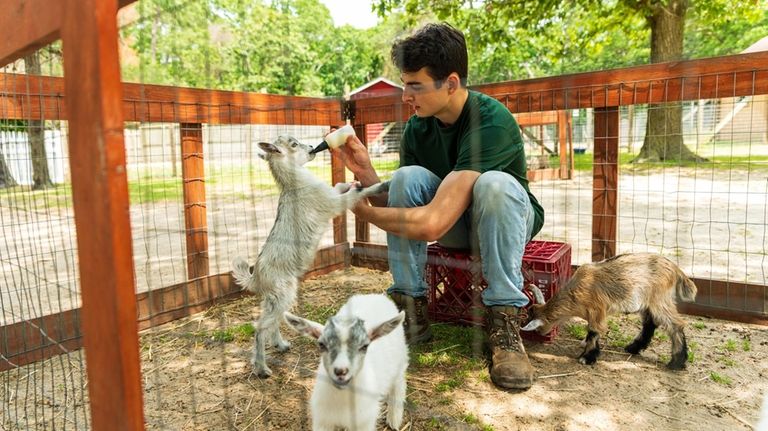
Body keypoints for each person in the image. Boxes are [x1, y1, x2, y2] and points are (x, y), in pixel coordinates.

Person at [331, 22, 544, 390]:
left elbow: (429, 225)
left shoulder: (491, 120)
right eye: (404, 84)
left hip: (502, 224)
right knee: (408, 177)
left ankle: (505, 321)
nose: (405, 97)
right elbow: (403, 204)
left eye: (415, 86)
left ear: (451, 83)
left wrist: (364, 213)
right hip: (454, 224)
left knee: (493, 184)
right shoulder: (417, 128)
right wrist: (365, 172)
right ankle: (410, 310)